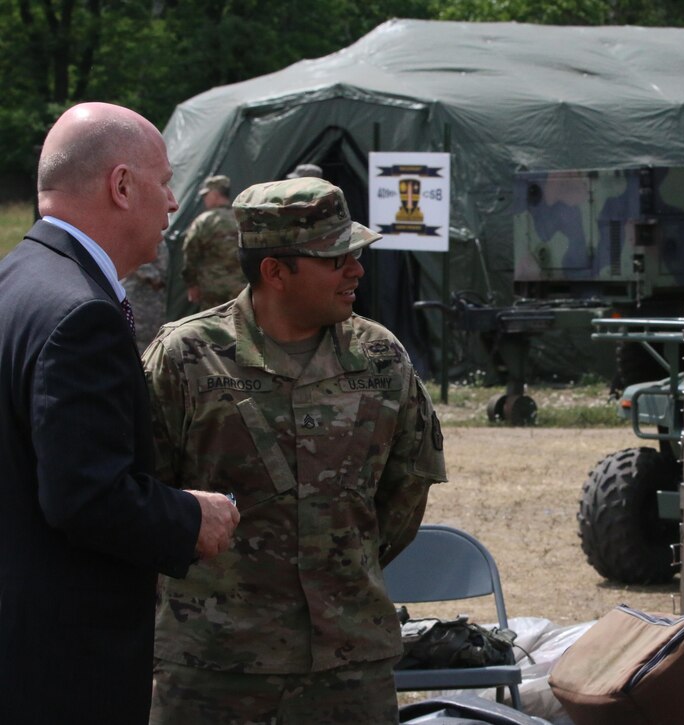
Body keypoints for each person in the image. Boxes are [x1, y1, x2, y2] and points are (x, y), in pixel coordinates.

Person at [144, 177, 447, 724]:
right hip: (214, 666)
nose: (355, 269)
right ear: (275, 271)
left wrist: (340, 567)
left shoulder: (380, 357)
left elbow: (405, 494)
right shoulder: (187, 359)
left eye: (354, 254)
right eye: (335, 258)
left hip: (348, 666)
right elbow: (141, 501)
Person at [0, 102, 240, 724]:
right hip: (63, 667)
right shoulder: (82, 313)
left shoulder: (17, 281)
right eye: (165, 184)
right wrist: (191, 515)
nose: (172, 206)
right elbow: (85, 495)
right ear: (123, 185)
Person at [180, 174, 245, 309]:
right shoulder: (242, 218)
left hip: (213, 292)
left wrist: (191, 284)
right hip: (242, 290)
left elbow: (190, 253)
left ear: (215, 195)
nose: (204, 199)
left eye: (206, 195)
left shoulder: (204, 221)